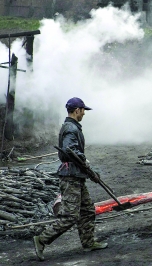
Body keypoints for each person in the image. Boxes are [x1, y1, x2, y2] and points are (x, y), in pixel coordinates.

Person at [33, 97, 108, 261]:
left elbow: (72, 151)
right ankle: (42, 239)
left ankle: (88, 243)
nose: (84, 114)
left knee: (87, 210)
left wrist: (88, 170)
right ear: (77, 110)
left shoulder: (72, 127)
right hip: (70, 177)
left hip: (77, 175)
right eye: (83, 111)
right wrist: (85, 162)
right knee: (70, 216)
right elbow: (69, 150)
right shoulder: (71, 128)